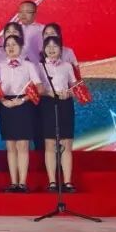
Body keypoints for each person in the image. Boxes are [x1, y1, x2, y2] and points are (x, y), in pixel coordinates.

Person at [0, 35, 42, 192]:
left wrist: (22, 100)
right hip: (6, 105)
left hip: (24, 105)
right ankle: (13, 182)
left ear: (21, 47)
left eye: (14, 44)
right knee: (10, 146)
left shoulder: (29, 65)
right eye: (7, 45)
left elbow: (39, 87)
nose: (10, 47)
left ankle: (22, 183)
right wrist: (3, 101)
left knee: (22, 145)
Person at [39, 36, 78, 192]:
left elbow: (75, 87)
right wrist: (48, 93)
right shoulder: (39, 66)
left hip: (65, 104)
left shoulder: (67, 66)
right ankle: (52, 182)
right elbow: (37, 88)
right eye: (48, 46)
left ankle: (67, 182)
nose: (51, 49)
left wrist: (68, 93)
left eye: (55, 46)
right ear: (44, 50)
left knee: (66, 143)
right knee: (50, 143)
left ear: (61, 50)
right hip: (48, 104)